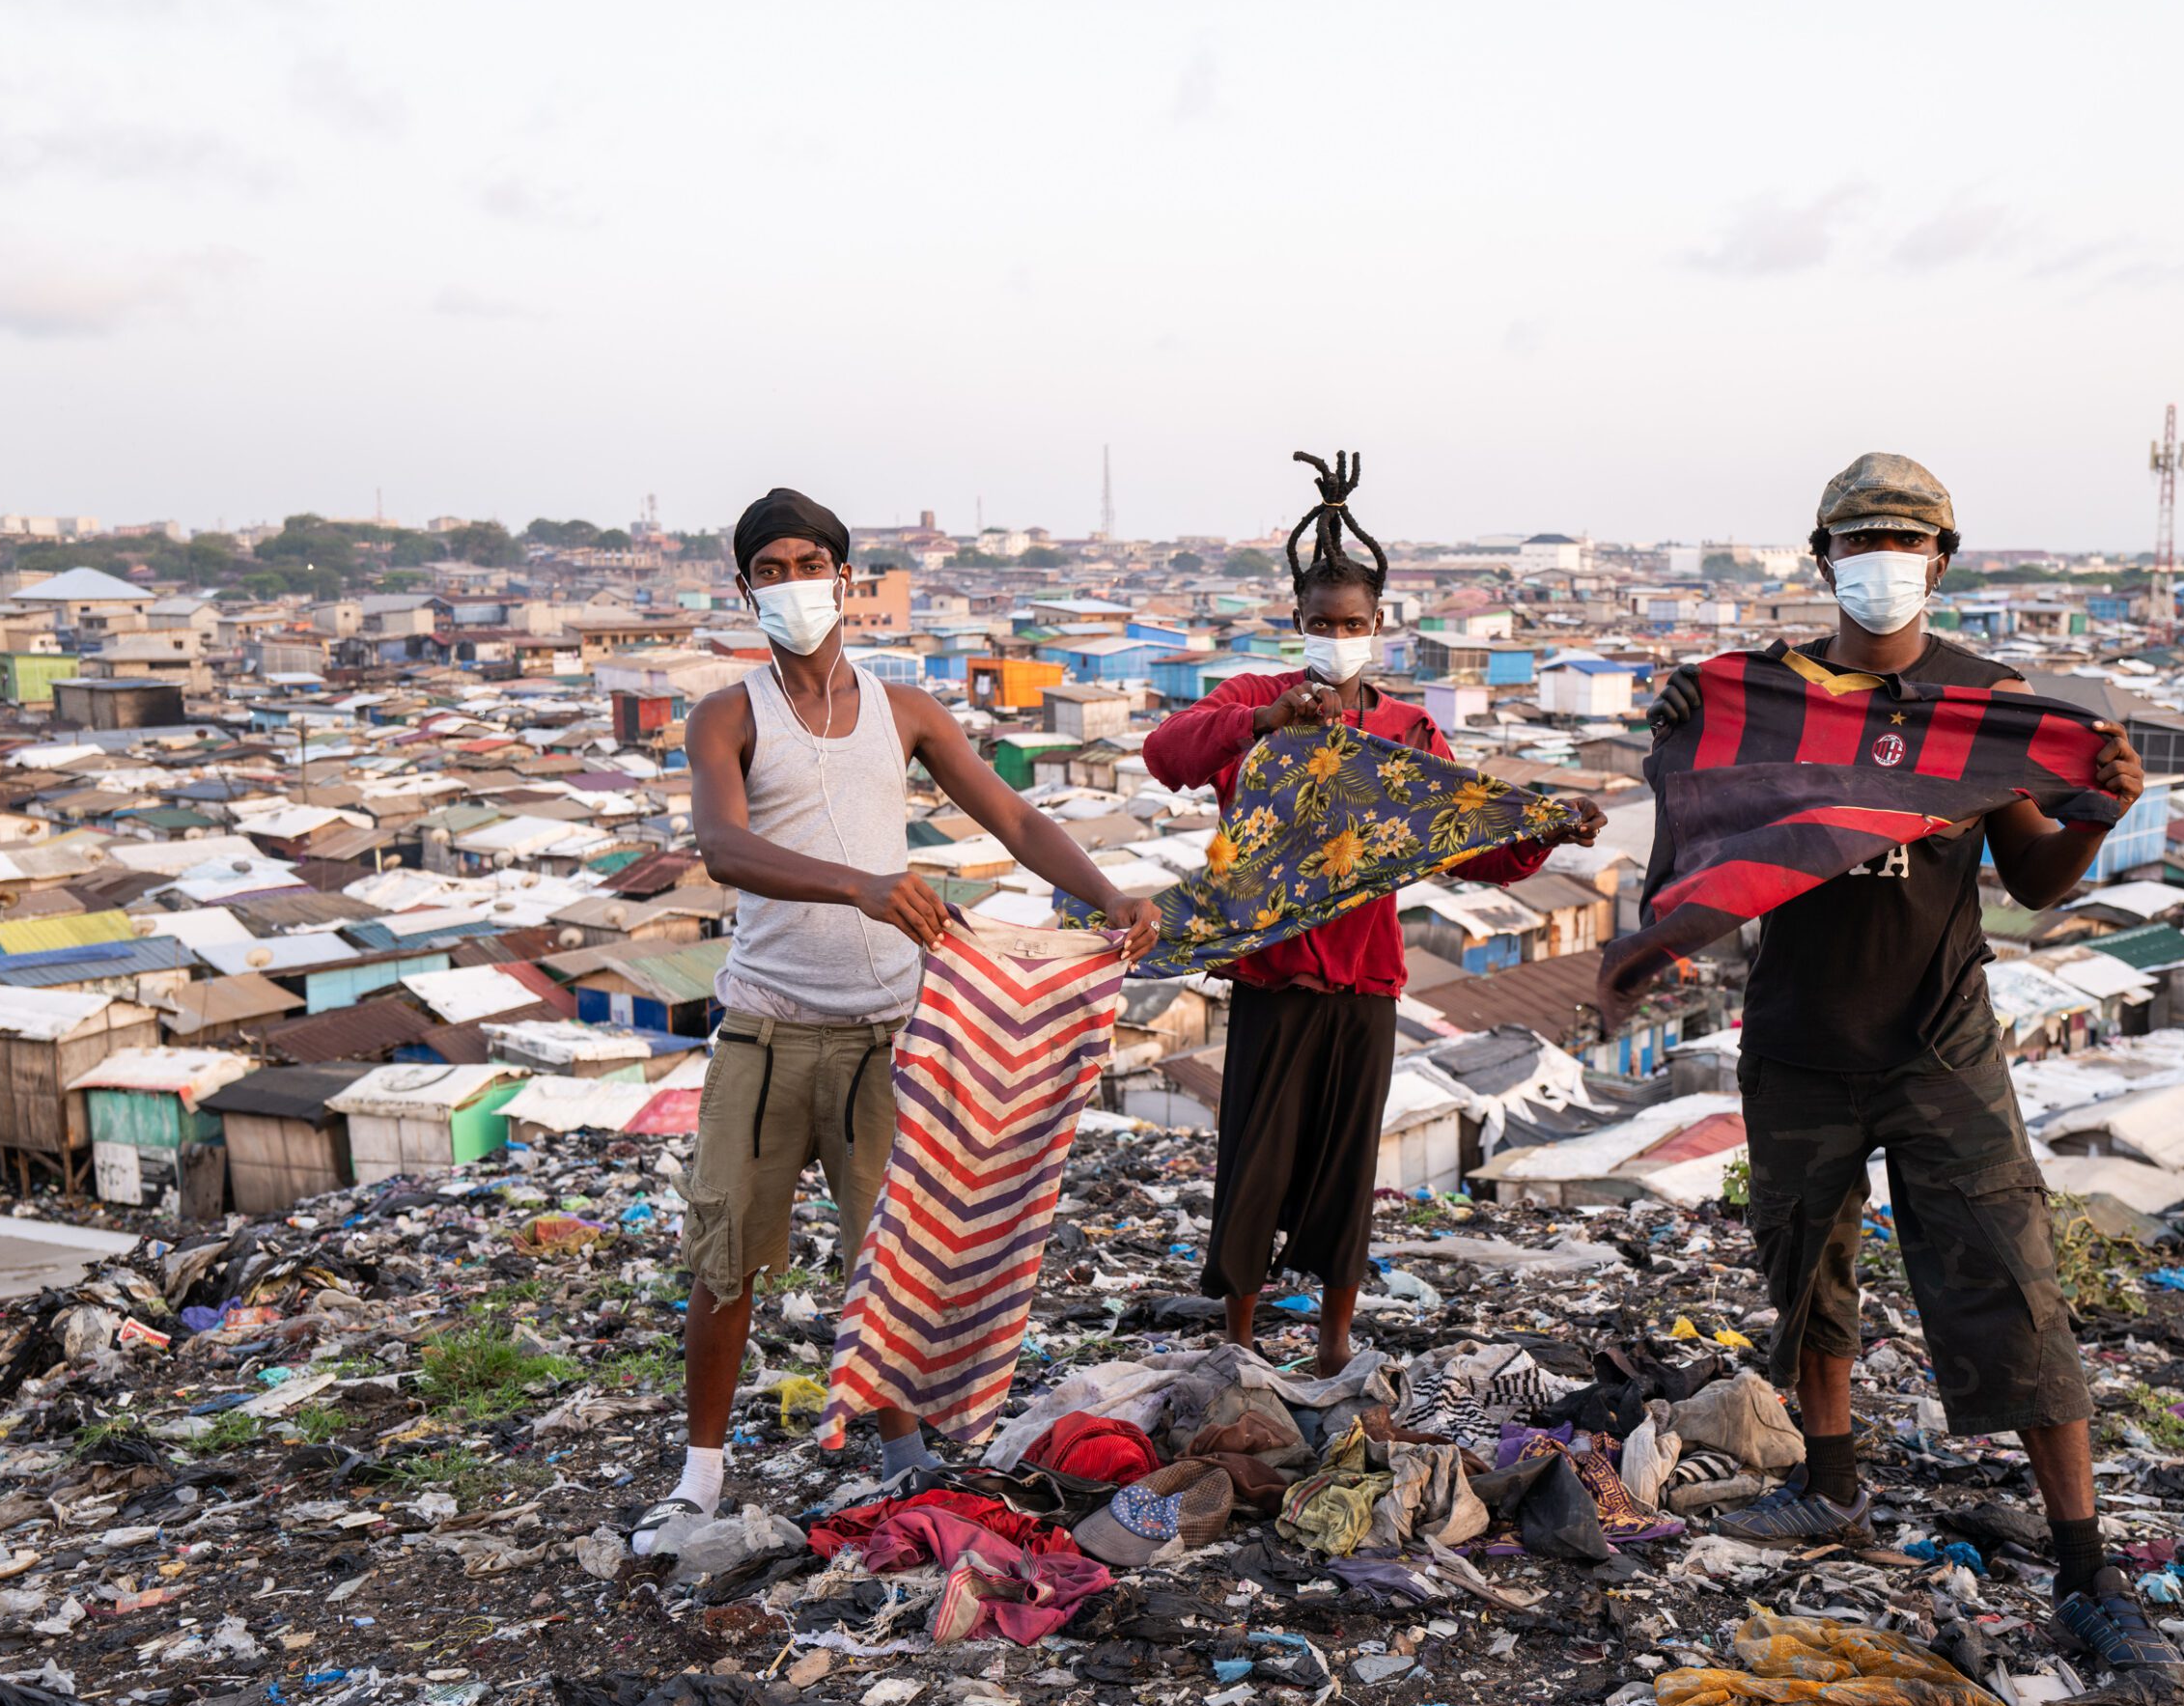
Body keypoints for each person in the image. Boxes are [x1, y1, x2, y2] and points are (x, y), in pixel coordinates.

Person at [1648, 452, 2181, 1682]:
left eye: (1905, 542)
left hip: (1939, 1042)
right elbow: (1695, 818)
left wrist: (2099, 811)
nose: (1882, 564)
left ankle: (2087, 1570)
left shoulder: (1984, 704)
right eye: (1859, 541)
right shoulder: (1761, 700)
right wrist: (1682, 721)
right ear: (1823, 557)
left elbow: (2034, 879)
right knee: (1808, 1267)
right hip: (1797, 1036)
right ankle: (1832, 1488)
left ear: (1941, 561)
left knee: (2010, 1281)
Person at [632, 486, 1159, 1551]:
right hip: (768, 1031)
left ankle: (903, 1452)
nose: (792, 585)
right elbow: (724, 849)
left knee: (893, 1255)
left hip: (887, 1034)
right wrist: (864, 886)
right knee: (726, 1254)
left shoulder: (904, 711)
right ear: (746, 591)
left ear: (844, 580)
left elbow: (1009, 812)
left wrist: (1106, 897)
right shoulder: (729, 714)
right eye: (769, 570)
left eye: (807, 564)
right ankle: (699, 1474)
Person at [1145, 452, 1605, 1377]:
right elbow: (1167, 753)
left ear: (1377, 628)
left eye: (1351, 623)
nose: (1336, 635)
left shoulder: (1405, 734)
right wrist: (1267, 721)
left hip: (1366, 980)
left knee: (1345, 1168)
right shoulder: (1254, 705)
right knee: (1255, 1161)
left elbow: (1466, 833)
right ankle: (1238, 1341)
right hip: (1274, 975)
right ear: (1298, 625)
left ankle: (1332, 1341)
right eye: (1321, 623)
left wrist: (1549, 829)